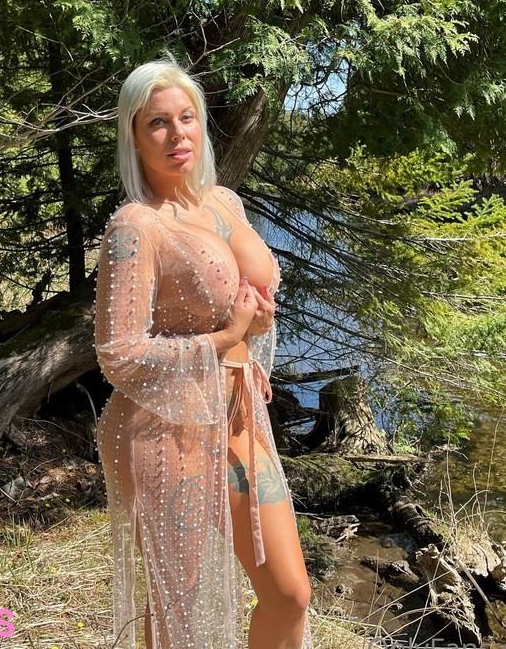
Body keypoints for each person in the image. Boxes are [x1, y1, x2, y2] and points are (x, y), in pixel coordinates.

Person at [94, 56, 312, 649]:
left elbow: (240, 303)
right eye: (157, 123)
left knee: (290, 594)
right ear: (134, 137)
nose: (176, 134)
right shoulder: (135, 228)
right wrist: (222, 339)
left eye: (186, 117)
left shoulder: (223, 202)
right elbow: (118, 354)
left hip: (238, 414)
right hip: (165, 431)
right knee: (179, 611)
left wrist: (252, 337)